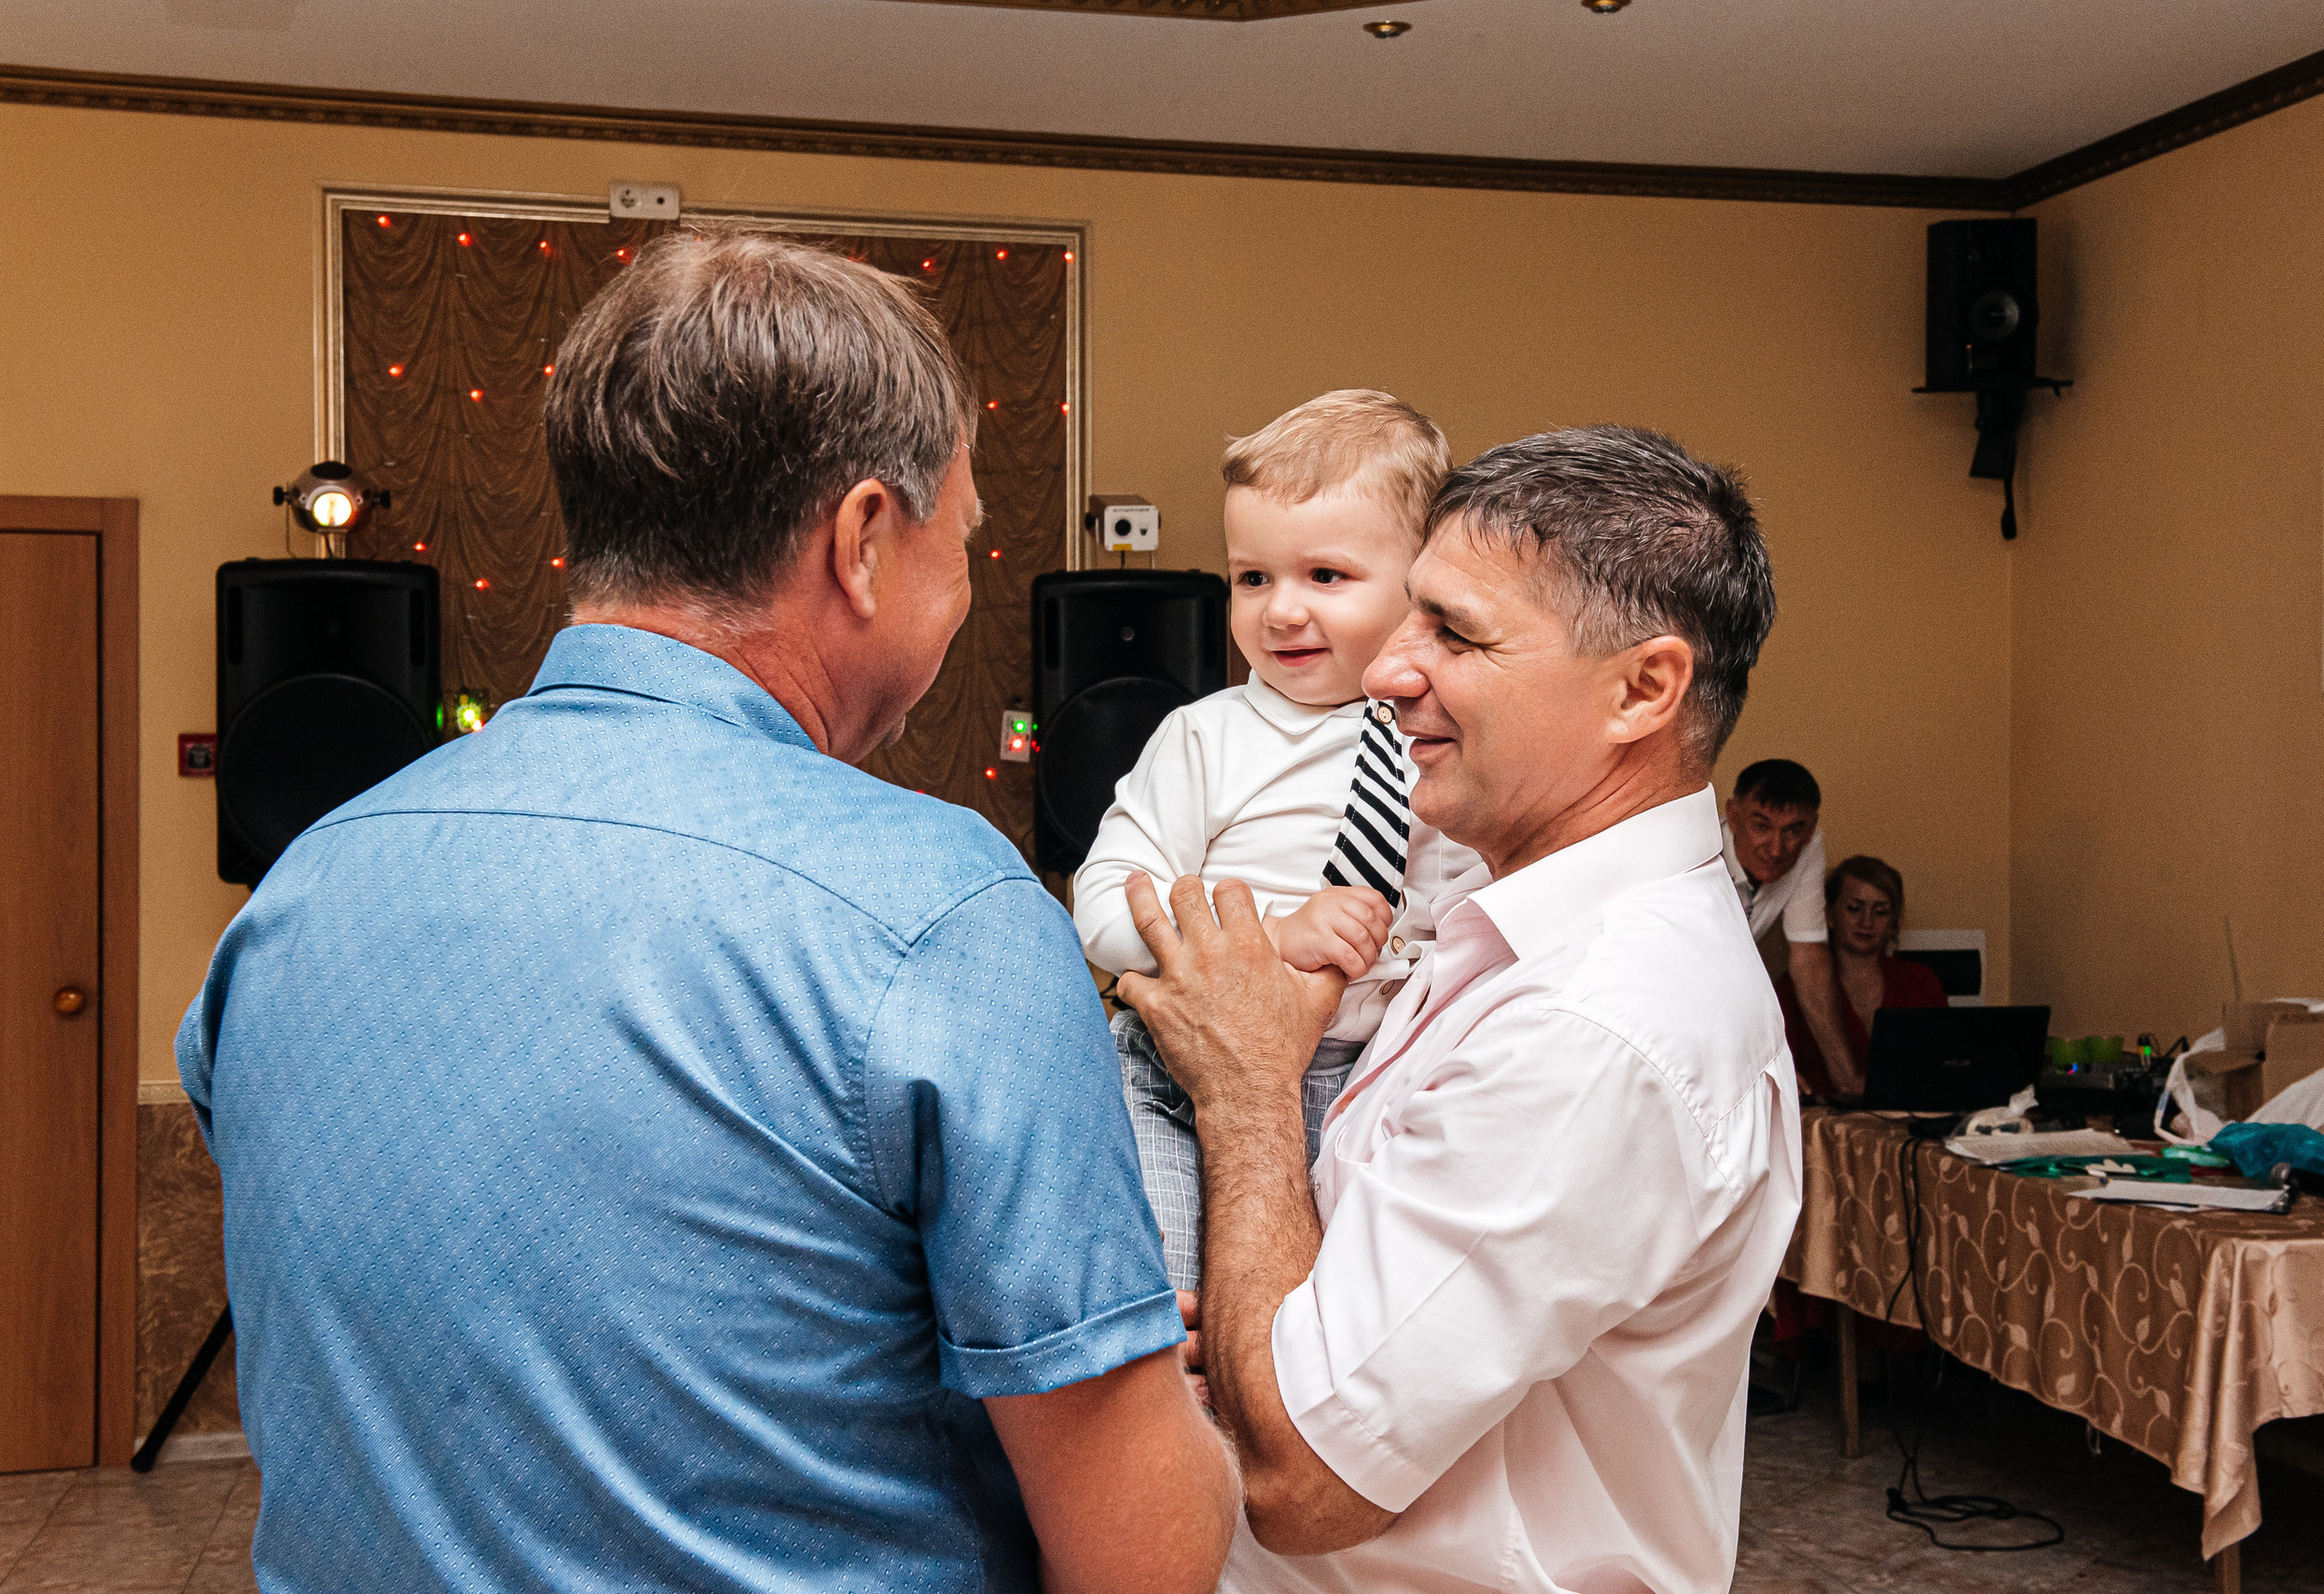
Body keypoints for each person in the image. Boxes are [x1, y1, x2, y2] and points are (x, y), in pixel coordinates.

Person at [176, 232, 1236, 1594]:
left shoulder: (305, 885)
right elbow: (1140, 1561)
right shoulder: (937, 909)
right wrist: (1149, 1376)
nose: (965, 592)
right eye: (959, 542)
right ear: (862, 541)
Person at [1120, 425, 1804, 1593]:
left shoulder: (1598, 1027)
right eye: (1412, 613)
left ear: (1642, 687)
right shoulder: (1499, 919)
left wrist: (1243, 1091)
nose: (1388, 669)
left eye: (1457, 632)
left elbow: (1302, 1480)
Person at [1072, 390, 1479, 1290]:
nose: (1280, 611)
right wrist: (1273, 936)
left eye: (1324, 577)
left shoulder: (1454, 741)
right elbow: (1100, 905)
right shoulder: (1206, 737)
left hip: (1371, 1080)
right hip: (1180, 1078)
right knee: (1174, 1306)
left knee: (1318, 1328)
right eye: (1253, 578)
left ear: (1423, 581)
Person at [1723, 759, 1863, 1097]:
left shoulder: (1809, 848)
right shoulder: (1696, 847)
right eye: (1762, 826)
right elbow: (1692, 976)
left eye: (1793, 831)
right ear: (1733, 816)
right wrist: (1758, 1061)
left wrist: (1848, 1080)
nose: (1776, 848)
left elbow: (1808, 955)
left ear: (1811, 828)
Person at [1778, 854, 1947, 1098]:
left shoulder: (1921, 981)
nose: (1866, 921)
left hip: (1909, 1124)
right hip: (1823, 1127)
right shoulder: (1793, 988)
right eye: (1854, 908)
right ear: (1829, 914)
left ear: (1893, 922)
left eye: (1880, 912)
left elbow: (1944, 1066)